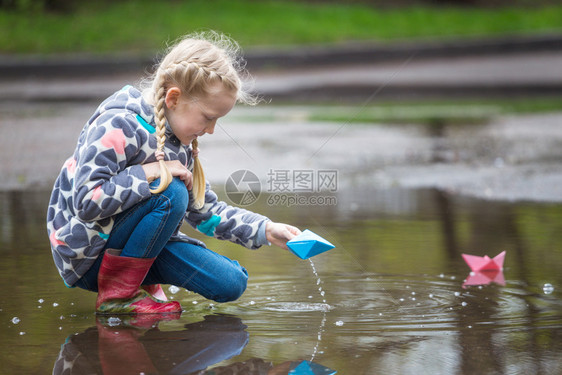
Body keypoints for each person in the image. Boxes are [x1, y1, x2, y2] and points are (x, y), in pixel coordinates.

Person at [46, 31, 301, 314]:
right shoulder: (118, 124)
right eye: (208, 117)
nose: (212, 129)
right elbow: (86, 202)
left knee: (231, 282)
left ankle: (135, 282)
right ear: (174, 98)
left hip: (140, 246)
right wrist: (151, 172)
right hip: (89, 254)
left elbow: (205, 212)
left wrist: (266, 230)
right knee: (172, 191)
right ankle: (118, 297)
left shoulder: (179, 144)